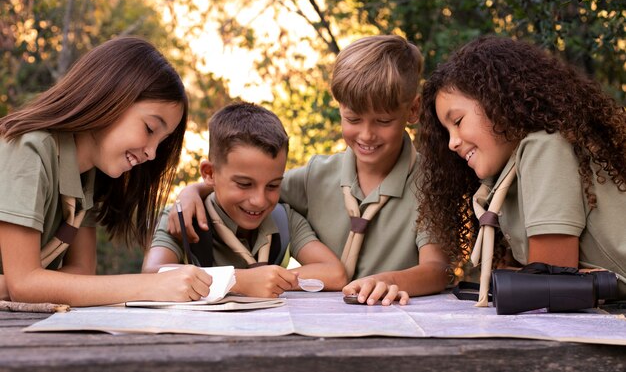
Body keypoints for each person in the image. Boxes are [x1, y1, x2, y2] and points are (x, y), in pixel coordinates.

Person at [169, 35, 450, 305]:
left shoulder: (430, 183)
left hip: (395, 317)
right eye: (352, 118)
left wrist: (385, 281)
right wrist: (192, 190)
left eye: (383, 121)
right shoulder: (316, 176)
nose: (366, 134)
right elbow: (255, 187)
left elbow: (437, 269)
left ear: (413, 110)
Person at [0, 36, 212, 306]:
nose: (152, 153)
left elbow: (81, 272)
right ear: (111, 96)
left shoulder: (86, 178)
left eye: (161, 141)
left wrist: (18, 284)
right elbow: (26, 285)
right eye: (149, 129)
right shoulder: (28, 149)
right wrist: (151, 285)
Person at [417, 35, 626, 301]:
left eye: (457, 121)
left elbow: (548, 287)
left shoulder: (545, 147)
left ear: (498, 101)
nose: (452, 143)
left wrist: (523, 279)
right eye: (447, 132)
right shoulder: (506, 176)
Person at [142, 102, 347, 298]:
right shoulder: (182, 217)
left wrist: (272, 280)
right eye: (244, 184)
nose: (259, 201)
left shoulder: (285, 220)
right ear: (209, 173)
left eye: (273, 185)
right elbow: (151, 275)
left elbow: (335, 274)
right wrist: (240, 281)